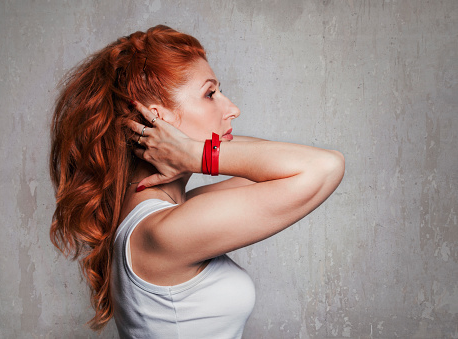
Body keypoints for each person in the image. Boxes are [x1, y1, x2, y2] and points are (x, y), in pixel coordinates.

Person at [49, 25, 344, 338]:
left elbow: (274, 169)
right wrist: (195, 153)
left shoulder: (174, 213)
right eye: (210, 93)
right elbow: (325, 167)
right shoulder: (161, 232)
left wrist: (195, 151)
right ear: (157, 119)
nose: (232, 109)